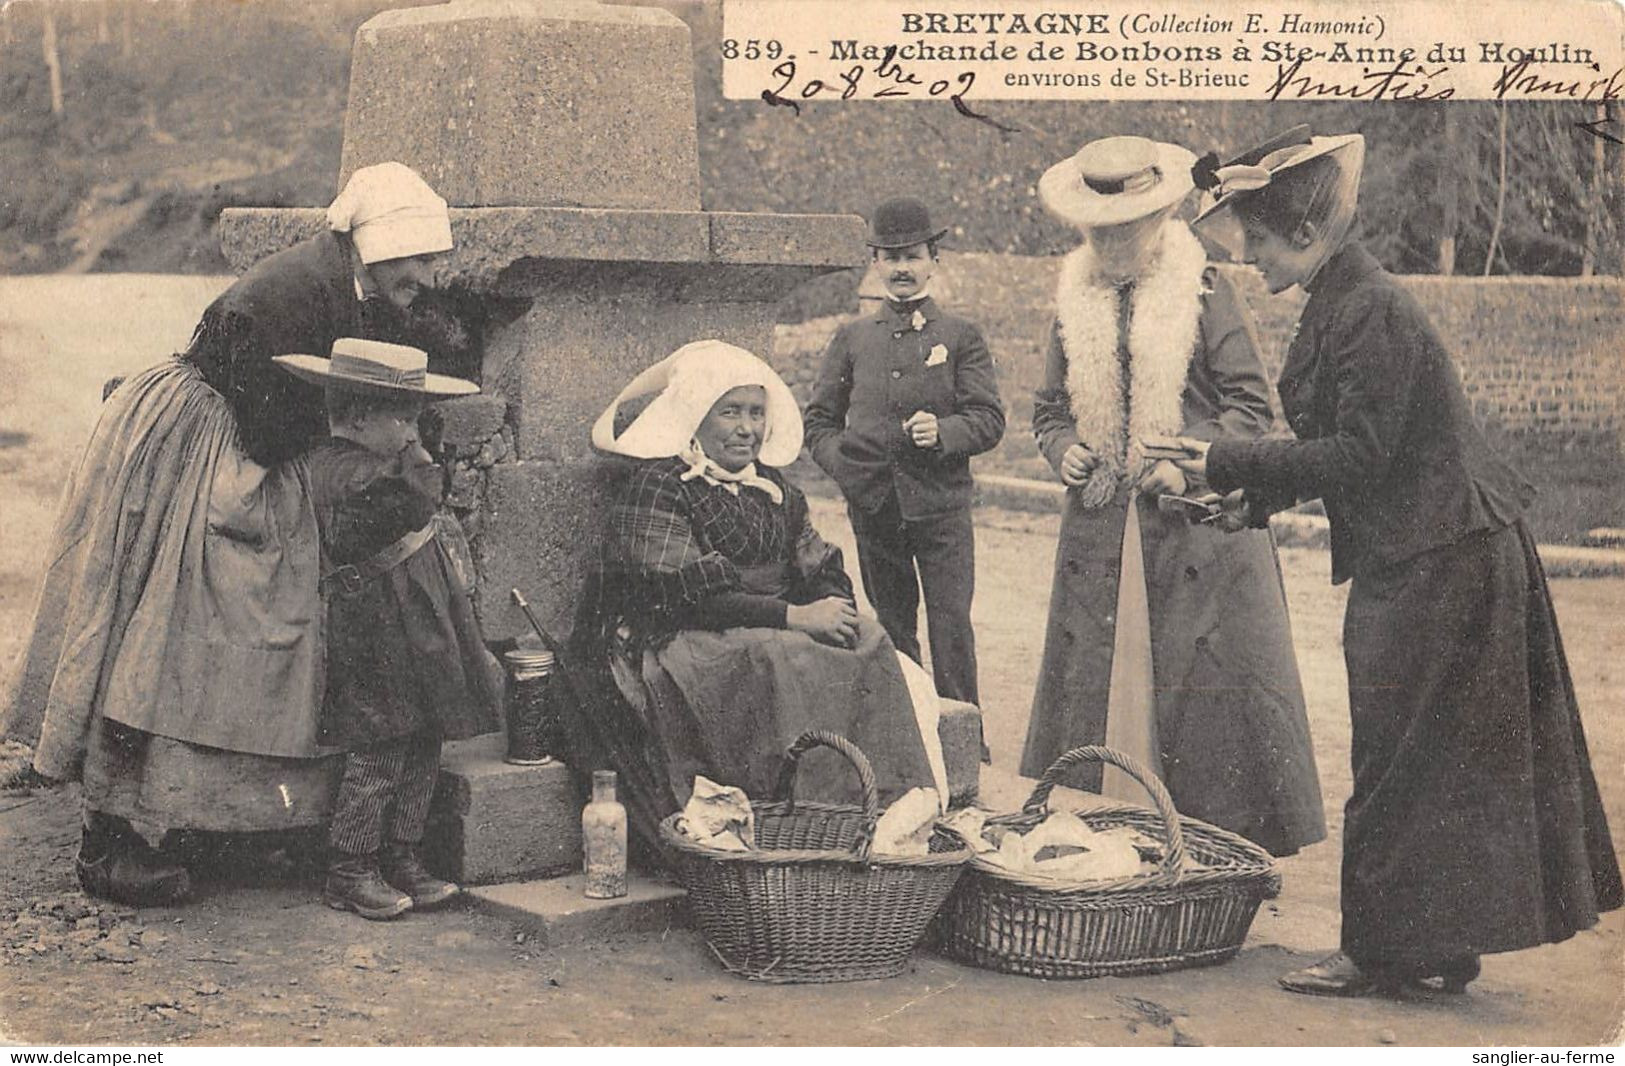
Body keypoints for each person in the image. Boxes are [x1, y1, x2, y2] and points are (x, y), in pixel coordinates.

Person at [1166, 127, 1622, 994]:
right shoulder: (1344, 298)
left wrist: (1226, 461)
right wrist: (1252, 499)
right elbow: (1356, 450)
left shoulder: (1366, 306)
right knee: (1433, 755)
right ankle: (1429, 948)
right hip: (1438, 548)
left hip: (1442, 557)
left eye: (1256, 241)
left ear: (1302, 230)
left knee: (1395, 753)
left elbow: (1359, 455)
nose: (1250, 261)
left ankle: (1376, 951)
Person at [1, 162, 456, 905]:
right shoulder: (284, 294)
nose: (430, 278)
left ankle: (212, 830)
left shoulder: (349, 287)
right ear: (381, 248)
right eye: (421, 260)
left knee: (243, 644)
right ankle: (109, 843)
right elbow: (270, 423)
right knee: (172, 635)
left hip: (247, 442)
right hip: (205, 448)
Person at [1016, 135, 1325, 858]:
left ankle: (1213, 853)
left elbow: (1250, 406)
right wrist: (1065, 451)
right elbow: (1047, 411)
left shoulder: (1205, 288)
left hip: (1193, 531)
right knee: (1103, 693)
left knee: (1203, 696)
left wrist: (1186, 465)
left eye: (1125, 228)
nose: (1112, 243)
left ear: (1158, 221)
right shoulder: (1072, 297)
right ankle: (1112, 844)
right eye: (1099, 231)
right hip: (1100, 531)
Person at [569, 339, 949, 854]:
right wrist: (795, 616)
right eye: (730, 413)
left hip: (772, 623)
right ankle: (787, 819)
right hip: (689, 634)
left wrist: (834, 605)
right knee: (776, 655)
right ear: (695, 417)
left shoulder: (776, 490)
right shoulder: (660, 485)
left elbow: (821, 564)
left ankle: (875, 813)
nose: (747, 428)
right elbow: (689, 595)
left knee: (871, 637)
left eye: (755, 413)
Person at [274, 338, 499, 920]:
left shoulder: (387, 460)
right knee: (381, 743)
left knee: (425, 736)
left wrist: (412, 450)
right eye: (398, 418)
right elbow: (401, 503)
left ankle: (403, 854)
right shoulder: (339, 470)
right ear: (352, 417)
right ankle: (351, 866)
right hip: (372, 624)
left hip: (418, 616)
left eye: (414, 419)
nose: (408, 432)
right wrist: (418, 461)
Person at [803, 198, 1005, 710]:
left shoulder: (960, 337)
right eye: (890, 257)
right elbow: (819, 422)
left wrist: (944, 432)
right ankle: (911, 736)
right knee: (892, 628)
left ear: (934, 260)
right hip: (876, 510)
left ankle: (966, 739)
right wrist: (846, 466)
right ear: (875, 263)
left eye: (913, 256)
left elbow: (989, 420)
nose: (902, 269)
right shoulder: (852, 339)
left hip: (941, 511)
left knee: (951, 626)